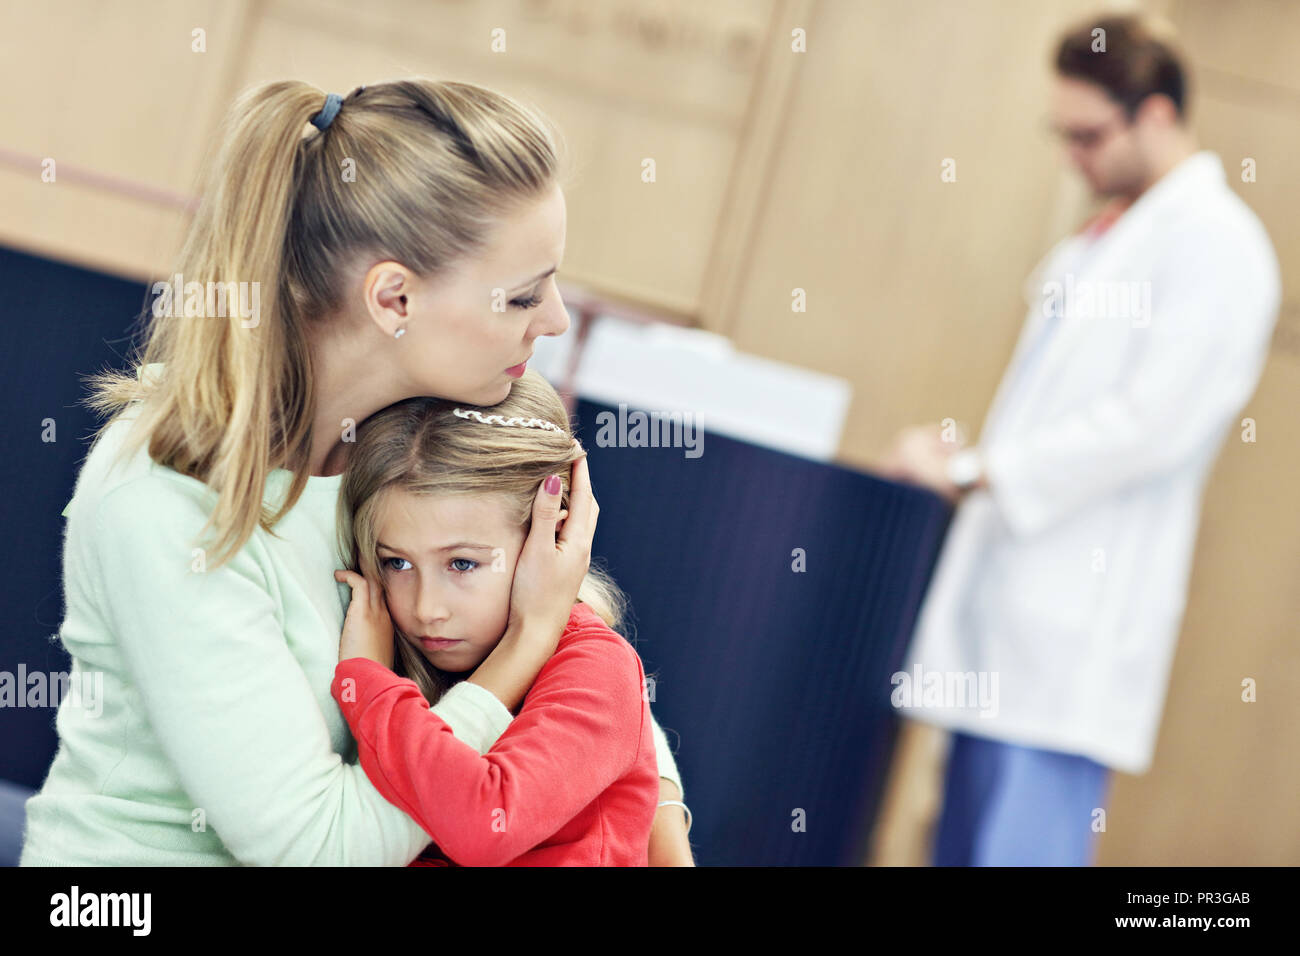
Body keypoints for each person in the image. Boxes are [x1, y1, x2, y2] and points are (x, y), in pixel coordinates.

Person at [20, 78, 692, 865]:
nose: (556, 320)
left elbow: (580, 678)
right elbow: (319, 845)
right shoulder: (163, 496)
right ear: (395, 299)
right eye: (520, 297)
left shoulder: (416, 429)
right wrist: (522, 650)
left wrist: (663, 814)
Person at [883, 15, 1280, 865]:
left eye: (1090, 136)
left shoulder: (1221, 247)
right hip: (1012, 617)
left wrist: (972, 469)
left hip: (1074, 635)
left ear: (1159, 114)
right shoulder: (1107, 239)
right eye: (1062, 135)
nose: (1074, 158)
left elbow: (1149, 425)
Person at [330, 370, 659, 865]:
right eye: (397, 563)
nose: (426, 609)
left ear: (550, 539)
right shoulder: (409, 656)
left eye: (463, 563)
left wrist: (369, 685)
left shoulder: (598, 667)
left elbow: (485, 824)